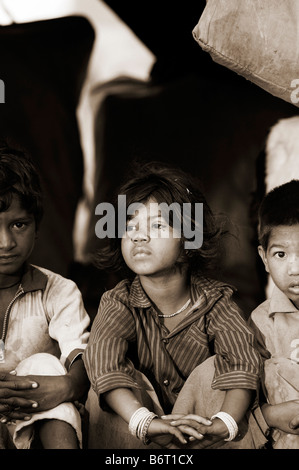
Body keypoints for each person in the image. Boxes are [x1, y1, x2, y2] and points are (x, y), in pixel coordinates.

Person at [83, 161, 265, 449]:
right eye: (129, 227)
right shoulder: (119, 302)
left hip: (203, 435)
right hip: (138, 430)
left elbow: (243, 362)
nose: (138, 236)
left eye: (156, 225)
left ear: (189, 239)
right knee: (104, 389)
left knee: (214, 371)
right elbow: (103, 362)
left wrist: (226, 423)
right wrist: (145, 421)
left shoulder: (216, 302)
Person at [0, 142, 90, 449]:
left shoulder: (58, 291)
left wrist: (66, 386)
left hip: (38, 419)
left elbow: (81, 359)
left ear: (37, 227)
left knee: (44, 364)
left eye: (19, 224)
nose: (6, 242)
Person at [249, 179, 299, 449]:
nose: (294, 269)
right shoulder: (260, 322)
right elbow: (251, 401)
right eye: (281, 254)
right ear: (264, 258)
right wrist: (270, 415)